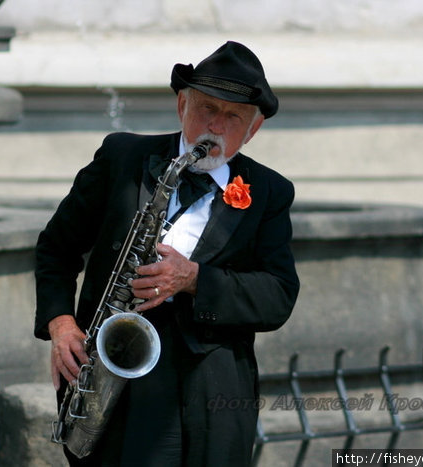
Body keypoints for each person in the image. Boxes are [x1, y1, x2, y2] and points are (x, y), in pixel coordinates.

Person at [34, 41, 300, 467]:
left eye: (233, 116)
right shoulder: (122, 157)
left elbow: (279, 296)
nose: (215, 124)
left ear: (252, 130)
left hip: (210, 391)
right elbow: (56, 247)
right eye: (206, 108)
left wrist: (195, 279)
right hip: (113, 377)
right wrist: (61, 325)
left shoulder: (270, 192)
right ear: (181, 105)